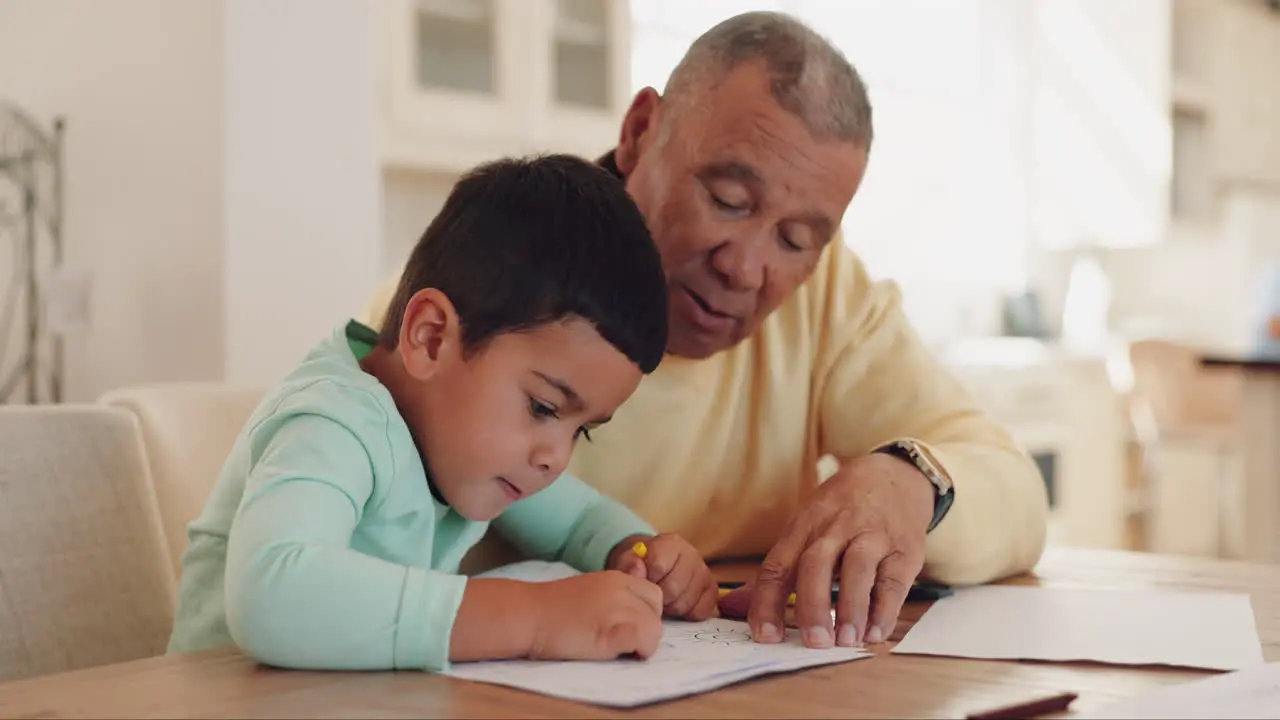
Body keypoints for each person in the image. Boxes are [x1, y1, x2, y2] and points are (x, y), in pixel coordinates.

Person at [364, 12, 1049, 651]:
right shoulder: (484, 295)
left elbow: (1017, 494)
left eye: (796, 239)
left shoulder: (833, 297)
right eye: (727, 201)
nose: (747, 268)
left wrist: (909, 480)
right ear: (639, 133)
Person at [168, 155, 720, 672]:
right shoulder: (334, 419)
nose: (556, 457)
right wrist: (530, 617)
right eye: (544, 407)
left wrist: (643, 556)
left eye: (583, 432)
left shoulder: (466, 446)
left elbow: (579, 522)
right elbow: (272, 593)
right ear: (432, 338)